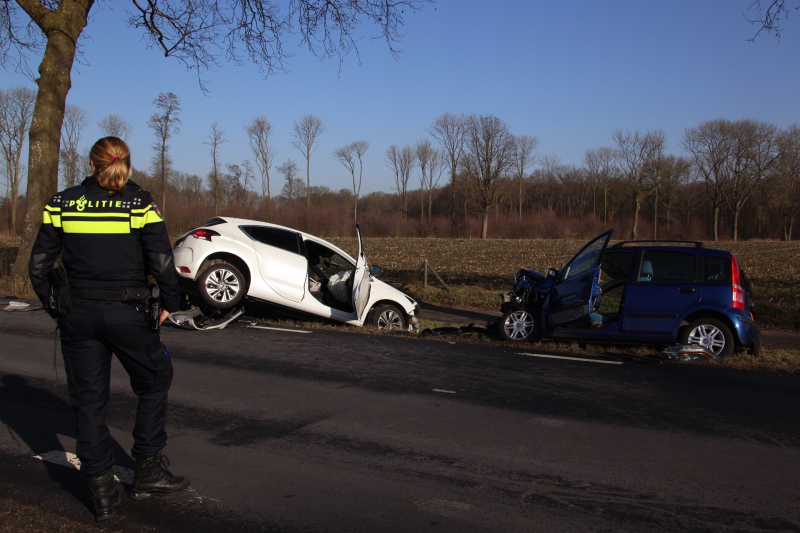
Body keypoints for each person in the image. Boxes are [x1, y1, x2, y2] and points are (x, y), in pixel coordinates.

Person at [28, 136, 189, 521]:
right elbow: (163, 261)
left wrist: (57, 306)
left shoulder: (62, 202)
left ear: (91, 163)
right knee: (154, 379)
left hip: (77, 315)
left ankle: (101, 495)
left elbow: (38, 266)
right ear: (127, 164)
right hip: (128, 312)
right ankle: (147, 469)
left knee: (87, 402)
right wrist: (171, 302)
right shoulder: (139, 203)